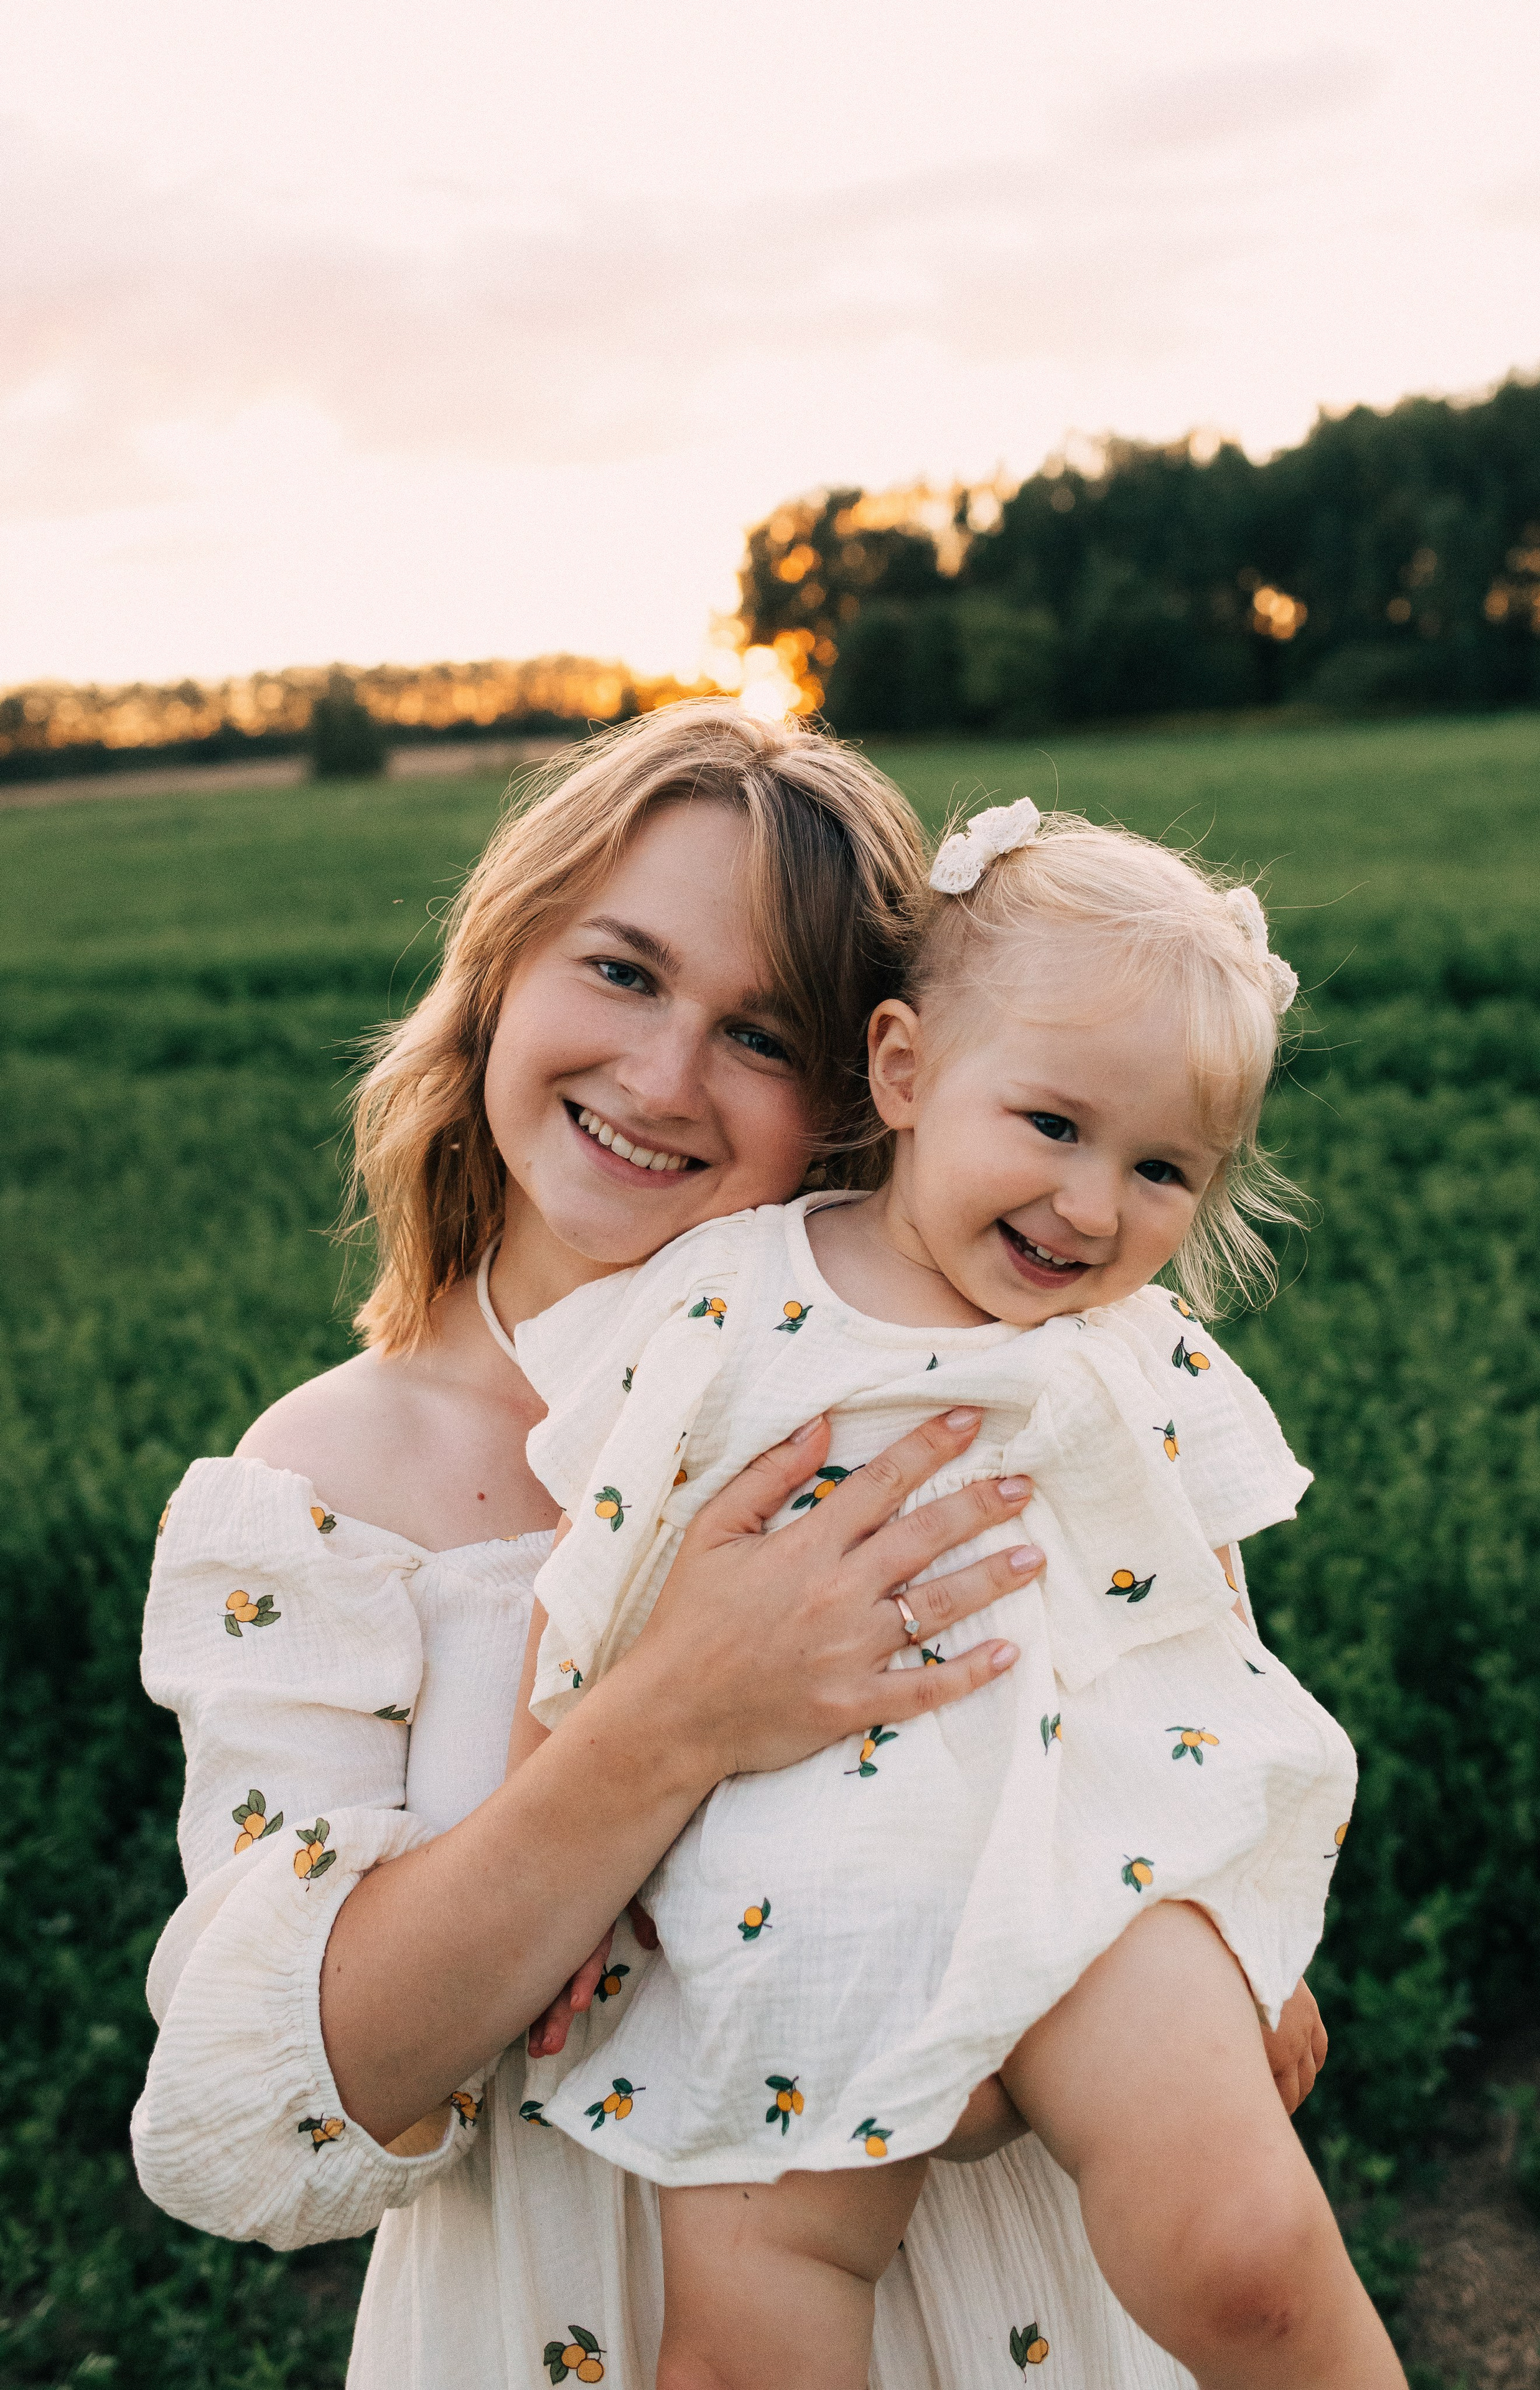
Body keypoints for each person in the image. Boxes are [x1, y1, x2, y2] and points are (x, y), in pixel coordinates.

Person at [133, 706, 1328, 2390]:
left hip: (1015, 2309)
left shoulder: (987, 1390)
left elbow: (1165, 1751)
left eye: (761, 1033)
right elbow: (248, 2136)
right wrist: (674, 1716)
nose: (663, 1078)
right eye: (621, 972)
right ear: (499, 970)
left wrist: (1180, 1981)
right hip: (575, 2314)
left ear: (876, 1086)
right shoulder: (327, 1486)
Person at [502, 799, 1398, 2390]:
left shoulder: (1131, 1351)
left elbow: (1200, 1630)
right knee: (755, 2316)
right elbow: (598, 1568)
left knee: (1246, 2253)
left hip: (1093, 1863)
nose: (1090, 1207)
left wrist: (1245, 1919)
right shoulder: (734, 1297)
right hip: (799, 1885)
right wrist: (550, 1845)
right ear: (906, 1073)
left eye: (1161, 1169)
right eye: (1050, 1127)